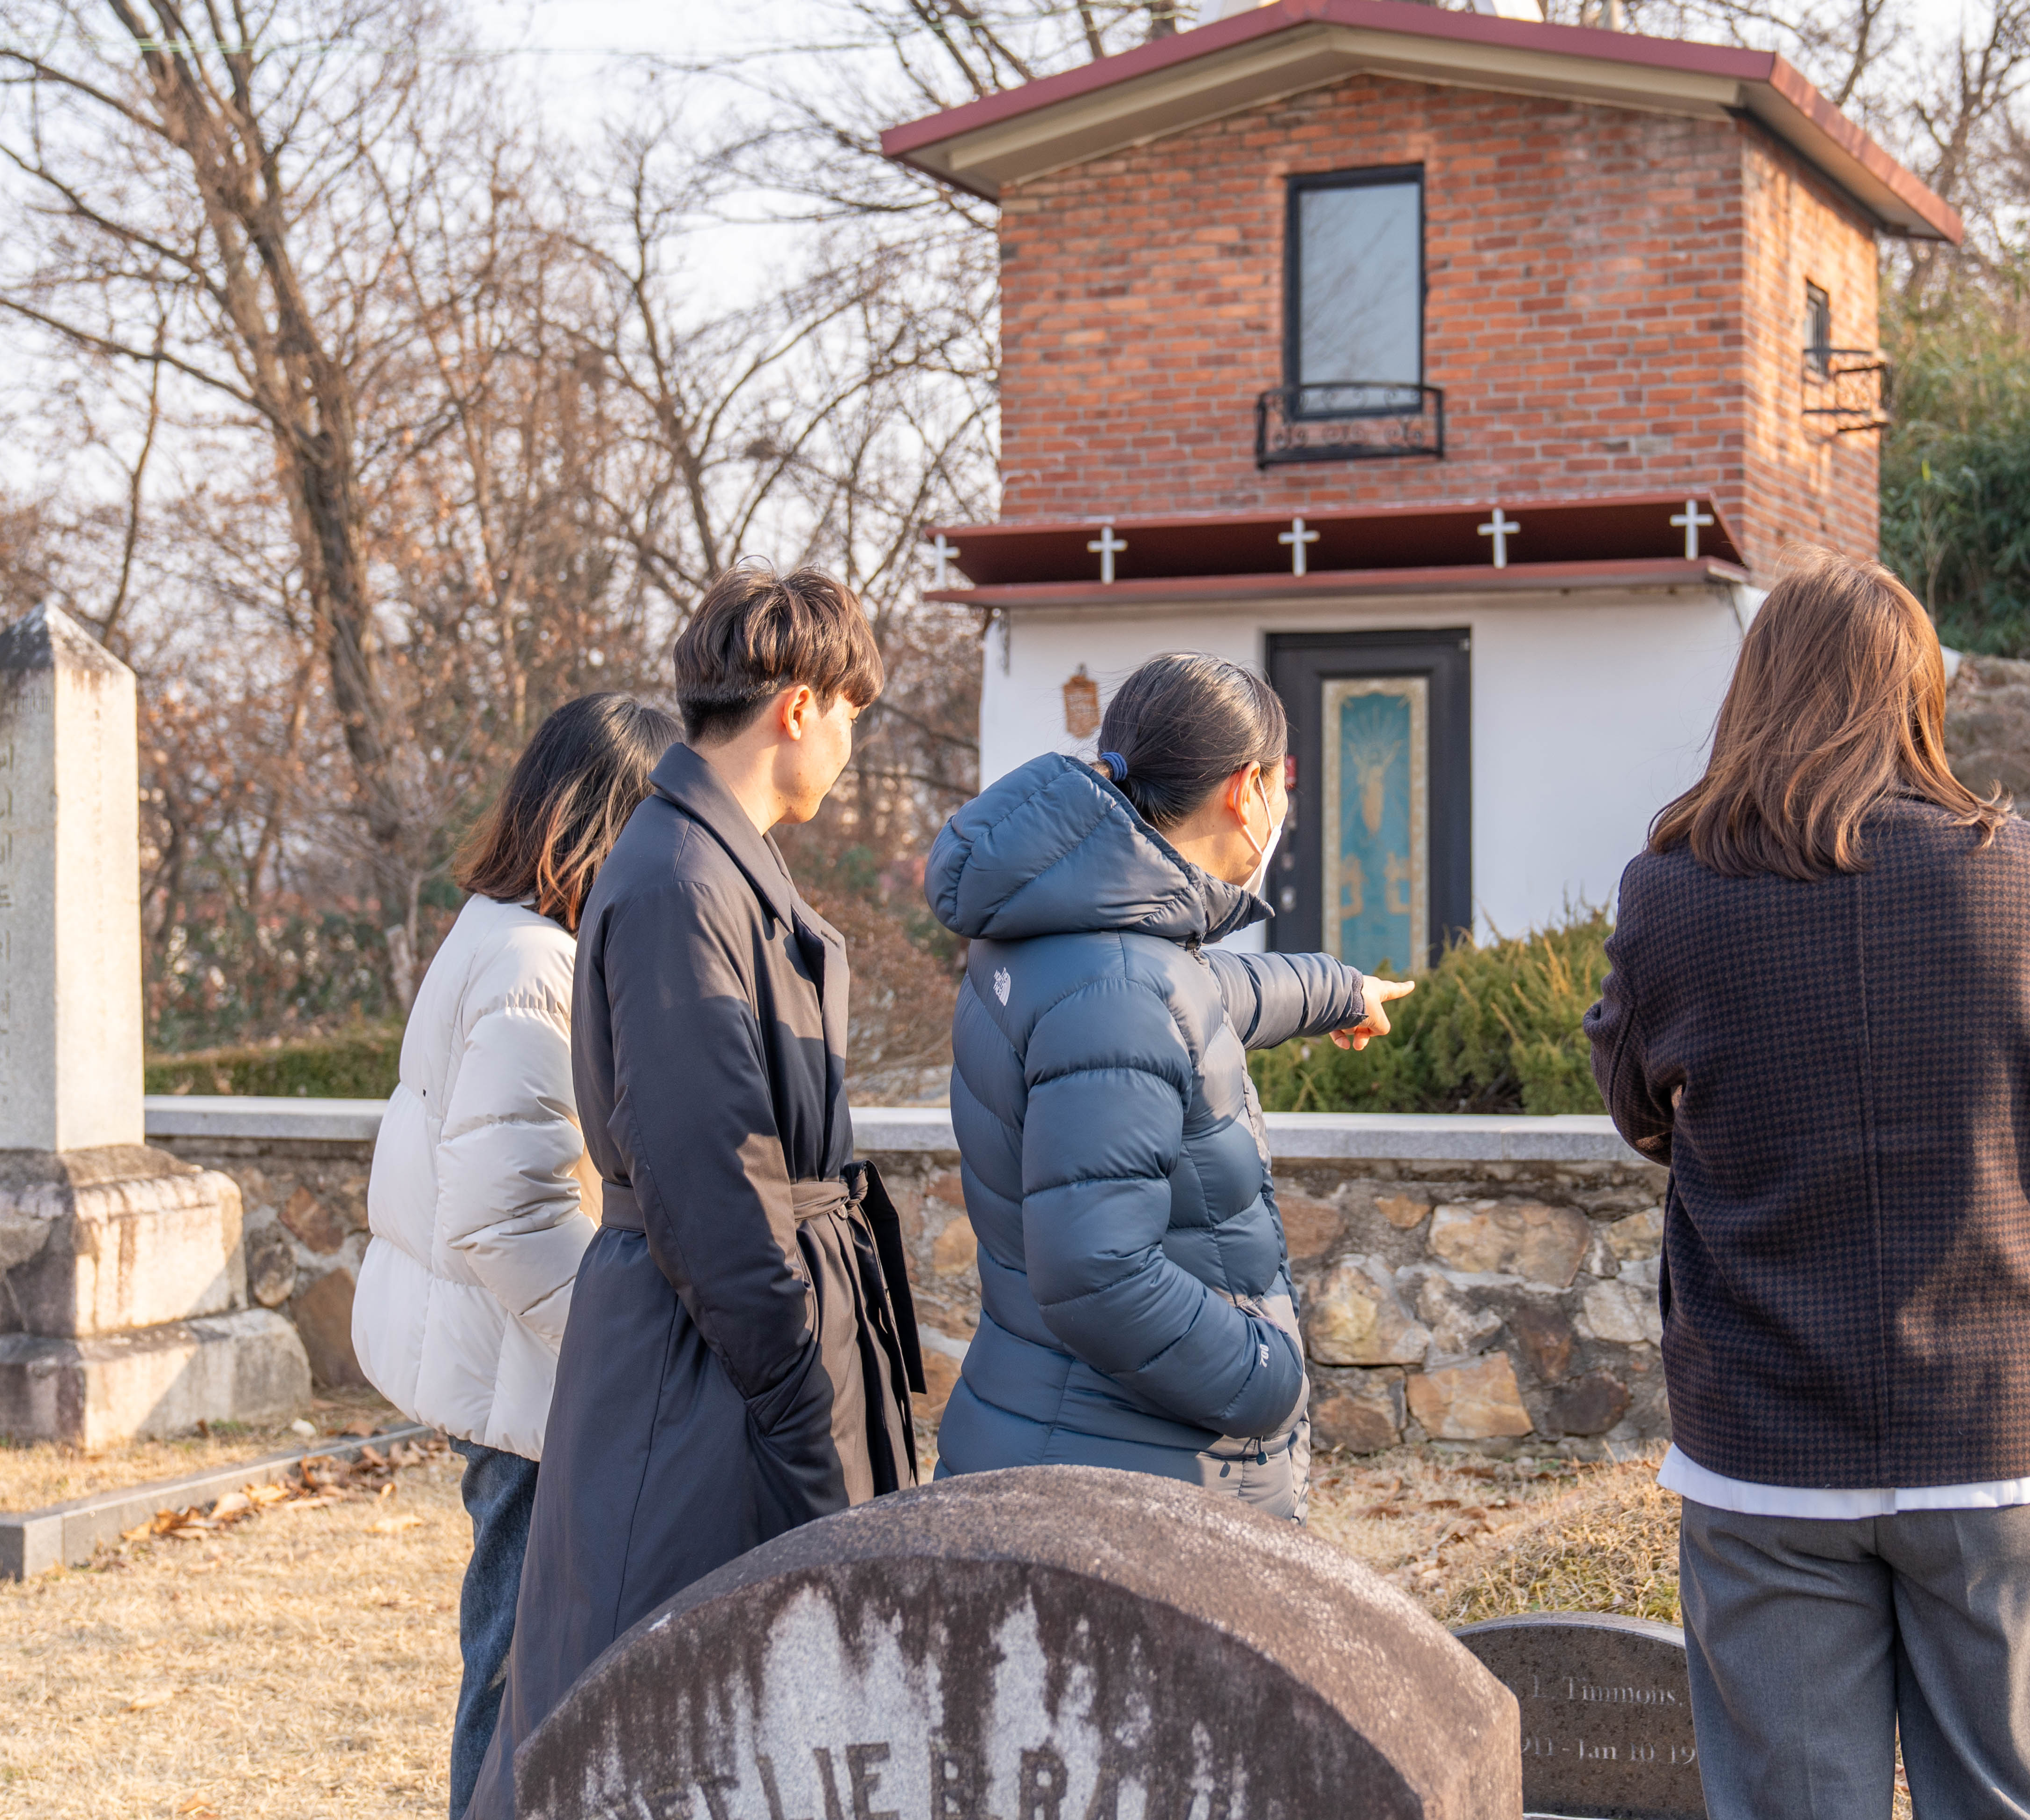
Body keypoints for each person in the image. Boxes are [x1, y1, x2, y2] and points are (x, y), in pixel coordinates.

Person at [1585, 551, 2030, 1820]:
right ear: (1915, 692)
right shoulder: (2022, 875)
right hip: (1994, 1424)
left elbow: (1635, 1109)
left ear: (1756, 689)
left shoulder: (1669, 892)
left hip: (1763, 1438)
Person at [464, 566, 924, 1820]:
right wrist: (795, 1399)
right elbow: (709, 1177)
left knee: (727, 1718)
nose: (853, 737)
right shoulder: (678, 879)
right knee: (647, 1714)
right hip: (698, 1375)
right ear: (796, 705)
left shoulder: (713, 863)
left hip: (721, 1361)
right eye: (850, 708)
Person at [922, 652, 1415, 1520]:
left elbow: (1202, 997)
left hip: (1056, 1431)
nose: (1285, 805)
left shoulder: (1063, 930)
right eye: (1282, 780)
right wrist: (1267, 1377)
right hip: (1131, 1486)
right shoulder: (1118, 984)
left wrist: (1340, 988)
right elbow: (1100, 1273)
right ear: (1244, 791)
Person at [352, 693, 679, 1820]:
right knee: (513, 1665)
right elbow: (506, 1214)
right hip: (530, 1378)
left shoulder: (494, 929)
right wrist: (615, 1347)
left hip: (512, 1368)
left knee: (513, 1647)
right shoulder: (536, 960)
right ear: (608, 821)